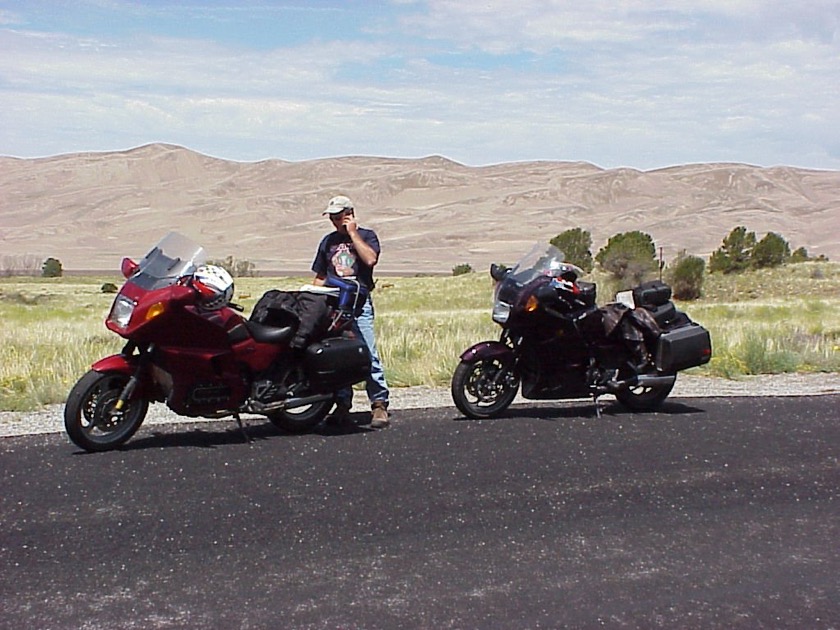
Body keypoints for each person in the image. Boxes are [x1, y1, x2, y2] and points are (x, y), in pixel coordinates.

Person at [311, 195, 390, 428]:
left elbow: (370, 259)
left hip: (359, 302)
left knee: (368, 351)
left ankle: (379, 404)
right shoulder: (327, 242)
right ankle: (342, 404)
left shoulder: (367, 236)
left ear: (350, 213)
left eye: (339, 216)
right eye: (332, 218)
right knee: (338, 355)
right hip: (334, 304)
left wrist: (353, 233)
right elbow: (321, 275)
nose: (336, 221)